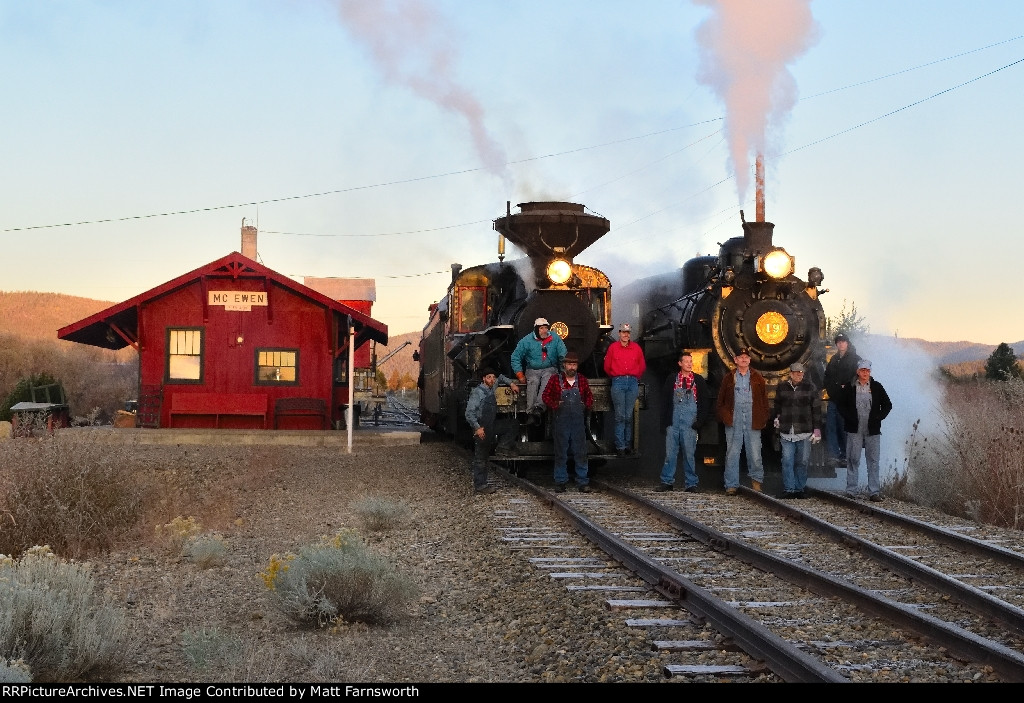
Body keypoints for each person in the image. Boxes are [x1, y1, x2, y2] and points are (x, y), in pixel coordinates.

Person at [836, 359, 892, 501]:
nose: (865, 373)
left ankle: (874, 492)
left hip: (872, 430)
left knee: (873, 460)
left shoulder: (877, 387)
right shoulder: (850, 387)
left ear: (870, 372)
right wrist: (849, 418)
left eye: (867, 370)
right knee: (853, 459)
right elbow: (840, 405)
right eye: (862, 370)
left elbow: (888, 405)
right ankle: (851, 491)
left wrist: (878, 417)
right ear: (857, 371)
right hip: (854, 429)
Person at [716, 348, 770, 495]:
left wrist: (763, 417)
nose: (744, 359)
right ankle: (731, 485)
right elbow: (720, 401)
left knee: (755, 453)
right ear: (736, 360)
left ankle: (756, 483)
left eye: (746, 357)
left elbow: (764, 401)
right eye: (741, 357)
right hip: (734, 419)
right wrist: (725, 416)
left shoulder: (757, 378)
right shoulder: (729, 377)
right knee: (732, 453)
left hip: (753, 418)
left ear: (749, 360)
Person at [657, 350, 711, 492]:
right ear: (680, 363)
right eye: (686, 361)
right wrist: (664, 424)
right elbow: (665, 402)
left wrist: (699, 422)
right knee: (670, 453)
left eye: (690, 361)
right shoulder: (672, 379)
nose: (689, 364)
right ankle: (667, 481)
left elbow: (705, 403)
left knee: (689, 454)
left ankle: (691, 483)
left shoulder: (698, 380)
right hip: (673, 422)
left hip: (690, 424)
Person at [542, 352, 594, 493]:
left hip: (578, 422)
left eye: (574, 364)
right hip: (561, 422)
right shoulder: (555, 379)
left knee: (581, 452)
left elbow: (589, 395)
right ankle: (560, 481)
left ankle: (582, 482)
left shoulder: (582, 380)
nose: (572, 367)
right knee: (561, 452)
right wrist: (554, 404)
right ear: (564, 365)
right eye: (570, 364)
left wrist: (586, 404)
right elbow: (545, 396)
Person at [464, 366, 519, 495]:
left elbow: (500, 377)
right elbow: (469, 413)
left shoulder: (492, 388)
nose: (492, 379)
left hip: (492, 425)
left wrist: (511, 384)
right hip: (482, 427)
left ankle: (503, 447)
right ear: (484, 379)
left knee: (513, 424)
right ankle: (480, 485)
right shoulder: (477, 392)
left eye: (493, 378)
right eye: (489, 377)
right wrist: (477, 428)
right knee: (481, 457)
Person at [772, 363, 823, 499]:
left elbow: (816, 409)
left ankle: (799, 488)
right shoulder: (782, 387)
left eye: (801, 372)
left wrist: (817, 429)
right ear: (791, 373)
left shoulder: (810, 387)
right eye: (796, 372)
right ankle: (789, 488)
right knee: (787, 461)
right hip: (786, 430)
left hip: (804, 431)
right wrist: (777, 416)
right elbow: (777, 403)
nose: (798, 374)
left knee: (802, 462)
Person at [511, 318, 567, 424]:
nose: (544, 330)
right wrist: (520, 374)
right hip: (532, 369)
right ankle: (530, 412)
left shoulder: (555, 338)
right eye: (541, 328)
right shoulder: (526, 341)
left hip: (550, 368)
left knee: (548, 378)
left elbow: (563, 354)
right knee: (533, 381)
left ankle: (539, 408)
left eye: (546, 328)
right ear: (536, 329)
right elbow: (515, 357)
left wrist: (564, 372)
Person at [603, 322, 646, 457]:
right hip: (618, 382)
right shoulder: (613, 348)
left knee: (628, 416)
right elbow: (607, 366)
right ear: (619, 333)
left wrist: (634, 376)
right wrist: (617, 376)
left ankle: (627, 445)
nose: (625, 335)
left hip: (632, 382)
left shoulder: (636, 348)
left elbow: (642, 365)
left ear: (629, 334)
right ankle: (620, 446)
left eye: (627, 332)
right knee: (620, 416)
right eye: (623, 332)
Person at [823, 332, 861, 468]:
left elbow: (859, 377)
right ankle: (833, 455)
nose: (841, 344)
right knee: (830, 427)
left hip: (846, 400)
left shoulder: (855, 359)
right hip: (834, 399)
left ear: (847, 343)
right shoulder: (833, 359)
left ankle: (845, 455)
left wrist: (847, 387)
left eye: (843, 341)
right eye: (838, 341)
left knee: (844, 428)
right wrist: (830, 389)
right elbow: (827, 377)